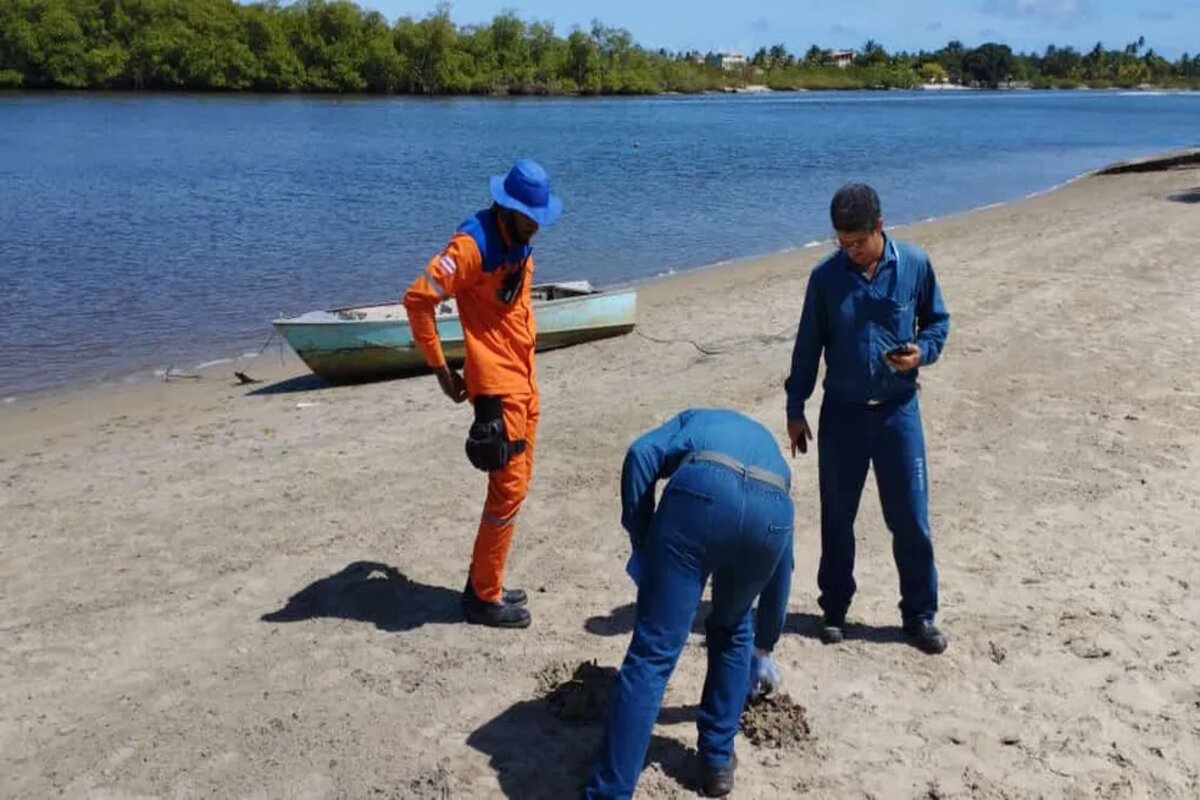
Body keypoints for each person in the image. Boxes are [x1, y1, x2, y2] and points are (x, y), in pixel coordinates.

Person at [583, 408, 794, 799]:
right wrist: (766, 643)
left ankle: (610, 792)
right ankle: (716, 763)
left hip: (702, 493)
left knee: (653, 653)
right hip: (773, 510)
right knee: (734, 628)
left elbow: (640, 455)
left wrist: (643, 536)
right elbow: (784, 566)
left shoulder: (691, 421)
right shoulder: (773, 456)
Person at [784, 182, 951, 655]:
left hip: (899, 414)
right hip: (842, 416)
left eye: (857, 242)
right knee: (837, 518)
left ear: (879, 227)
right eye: (841, 242)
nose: (850, 251)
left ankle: (919, 615)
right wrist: (795, 409)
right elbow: (806, 348)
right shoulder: (825, 278)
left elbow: (938, 321)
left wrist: (923, 353)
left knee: (911, 520)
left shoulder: (915, 265)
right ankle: (834, 608)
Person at [402, 158, 562, 630]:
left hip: (524, 378)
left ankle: (484, 580)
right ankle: (482, 597)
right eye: (530, 217)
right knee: (506, 490)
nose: (537, 226)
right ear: (508, 208)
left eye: (540, 218)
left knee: (517, 489)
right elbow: (418, 299)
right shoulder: (472, 246)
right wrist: (440, 369)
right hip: (496, 386)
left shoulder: (519, 238)